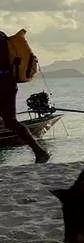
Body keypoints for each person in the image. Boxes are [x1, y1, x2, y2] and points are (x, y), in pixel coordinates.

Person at [0, 30, 50, 162]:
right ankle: (39, 152)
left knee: (10, 122)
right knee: (10, 122)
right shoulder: (3, 37)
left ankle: (40, 152)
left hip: (3, 84)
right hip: (8, 83)